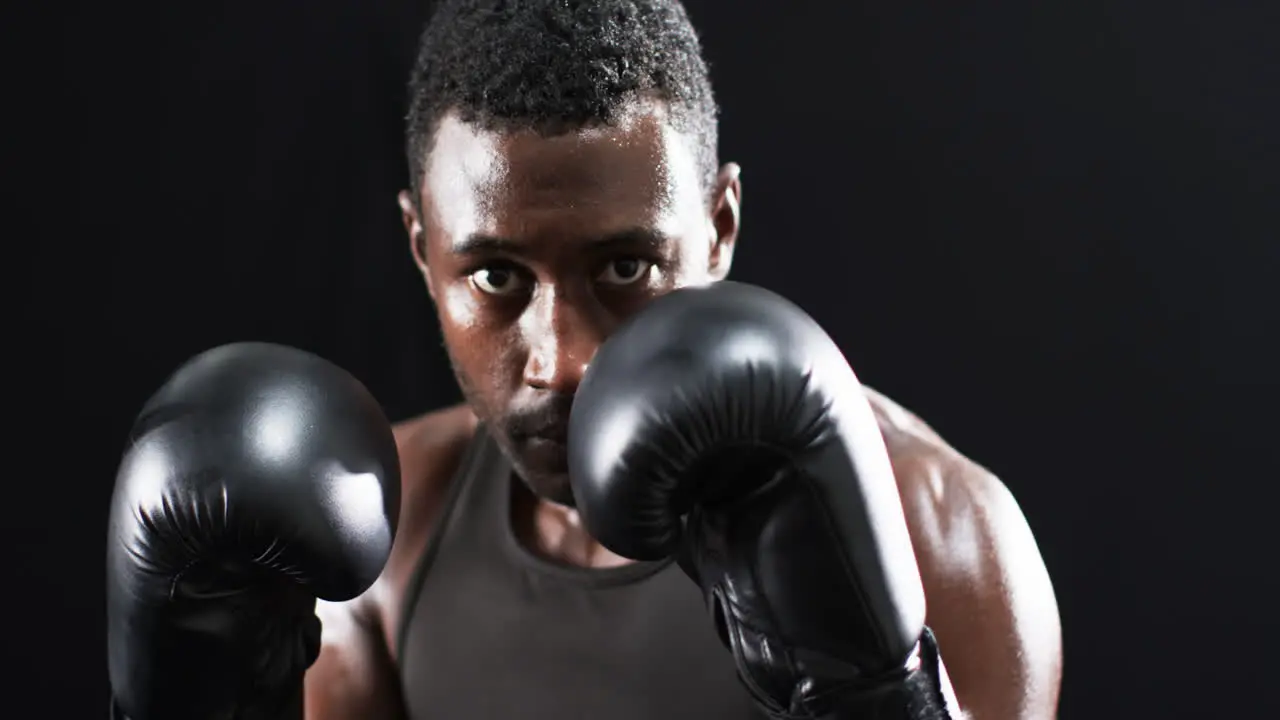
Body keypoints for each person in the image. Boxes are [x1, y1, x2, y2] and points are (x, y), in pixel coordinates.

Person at [106, 1, 1063, 719]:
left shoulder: (943, 539)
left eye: (624, 265)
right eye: (494, 278)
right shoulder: (386, 552)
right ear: (420, 249)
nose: (561, 363)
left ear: (719, 229)